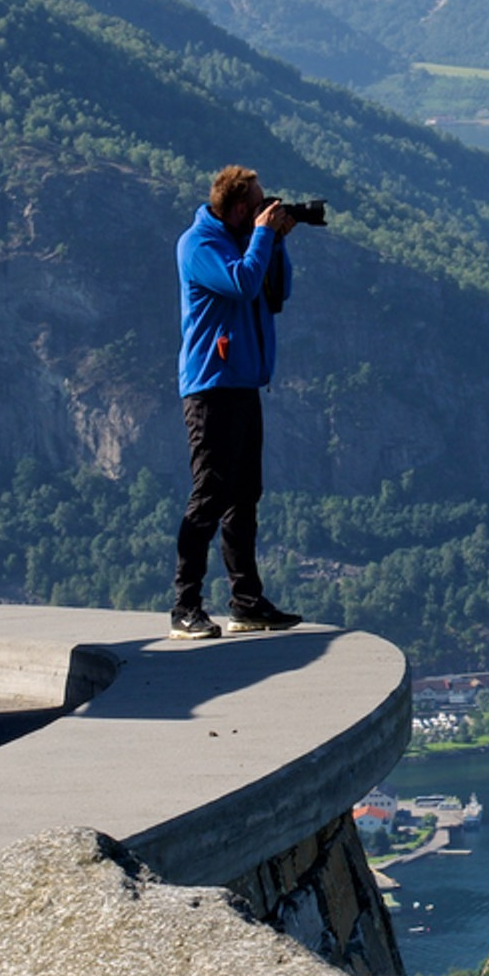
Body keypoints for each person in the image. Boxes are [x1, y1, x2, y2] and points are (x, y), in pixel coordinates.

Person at [173, 163, 305, 637]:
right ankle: (184, 606)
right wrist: (264, 237)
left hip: (243, 384)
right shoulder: (200, 245)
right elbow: (243, 284)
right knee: (209, 496)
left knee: (244, 497)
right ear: (240, 208)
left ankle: (246, 602)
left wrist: (278, 241)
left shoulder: (241, 241)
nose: (266, 209)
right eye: (259, 203)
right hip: (211, 387)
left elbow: (274, 292)